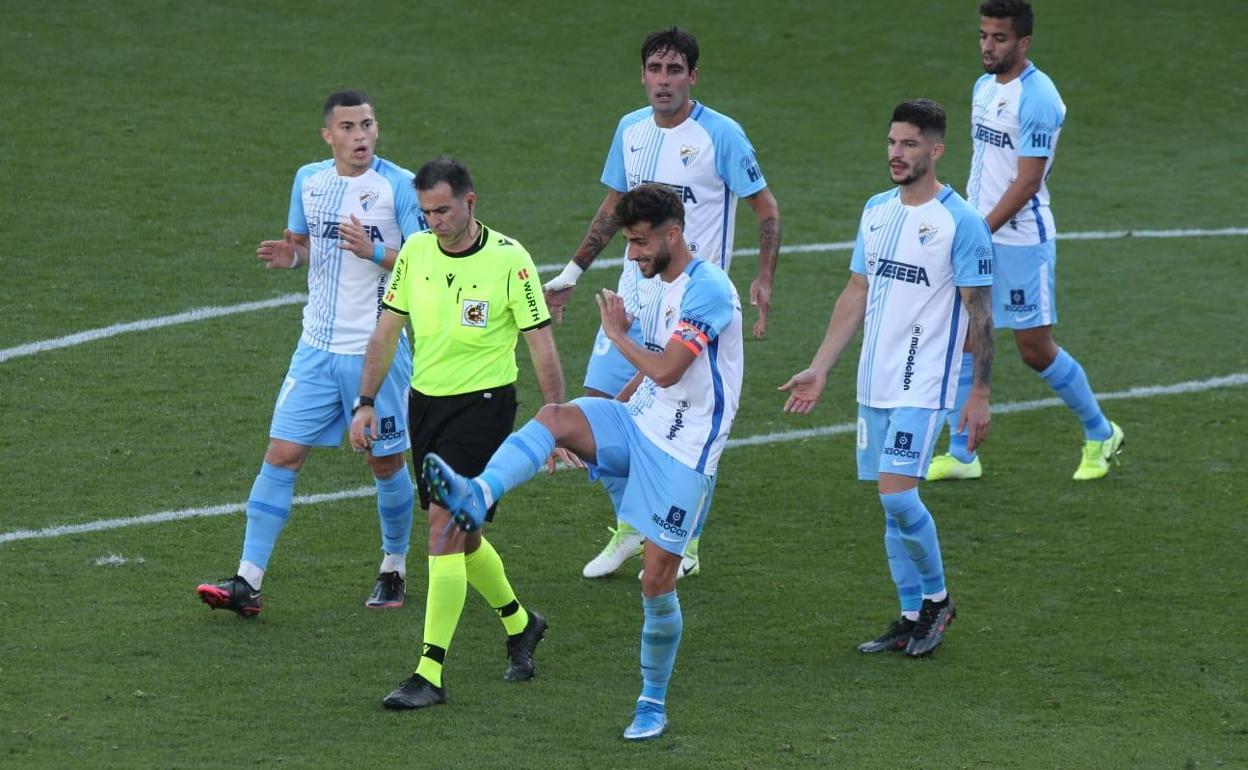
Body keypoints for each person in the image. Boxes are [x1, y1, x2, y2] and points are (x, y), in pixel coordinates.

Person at [424, 184, 744, 738]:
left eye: (641, 243)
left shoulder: (709, 290)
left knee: (657, 584)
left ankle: (651, 701)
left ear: (673, 235)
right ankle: (478, 494)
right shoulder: (655, 283)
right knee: (557, 418)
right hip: (640, 422)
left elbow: (668, 368)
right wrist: (602, 420)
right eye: (628, 243)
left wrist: (616, 335)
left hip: (684, 453)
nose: (634, 254)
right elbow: (653, 375)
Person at [541, 26, 781, 581]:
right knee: (600, 407)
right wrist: (574, 271)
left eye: (676, 71)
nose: (664, 81)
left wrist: (763, 276)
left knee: (691, 422)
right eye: (656, 70)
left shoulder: (722, 135)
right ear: (643, 75)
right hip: (632, 298)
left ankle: (684, 536)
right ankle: (632, 523)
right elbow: (613, 208)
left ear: (693, 76)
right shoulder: (630, 131)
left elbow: (765, 208)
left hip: (694, 305)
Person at [348, 157, 569, 710]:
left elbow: (540, 344)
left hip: (485, 407)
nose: (433, 222)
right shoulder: (417, 253)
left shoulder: (509, 260)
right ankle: (522, 624)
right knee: (463, 537)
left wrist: (557, 419)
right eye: (425, 212)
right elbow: (386, 331)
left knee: (443, 530)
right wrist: (366, 401)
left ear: (471, 202)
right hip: (427, 406)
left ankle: (429, 672)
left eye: (442, 210)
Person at [196, 90, 426, 617]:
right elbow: (302, 242)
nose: (361, 135)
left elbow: (423, 262)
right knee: (281, 455)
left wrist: (374, 251)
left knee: (386, 461)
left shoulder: (399, 186)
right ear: (329, 136)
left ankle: (394, 568)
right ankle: (246, 582)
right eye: (348, 127)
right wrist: (292, 255)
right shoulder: (310, 181)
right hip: (316, 349)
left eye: (367, 124)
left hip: (378, 349)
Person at [780, 99, 995, 657]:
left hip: (924, 385)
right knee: (887, 500)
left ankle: (938, 601)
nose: (897, 154)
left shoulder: (962, 223)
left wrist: (980, 393)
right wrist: (821, 366)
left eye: (909, 145)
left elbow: (980, 312)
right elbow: (857, 292)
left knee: (899, 499)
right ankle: (908, 613)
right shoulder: (876, 210)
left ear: (936, 150)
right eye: (892, 143)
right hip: (873, 382)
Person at [927, 0, 1123, 482]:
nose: (988, 46)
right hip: (982, 230)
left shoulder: (1039, 98)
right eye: (983, 36)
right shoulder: (983, 87)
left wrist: (979, 229)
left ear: (1024, 42)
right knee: (968, 338)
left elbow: (1027, 181)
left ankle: (1100, 432)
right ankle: (962, 454)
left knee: (1034, 348)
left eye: (999, 38)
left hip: (1020, 242)